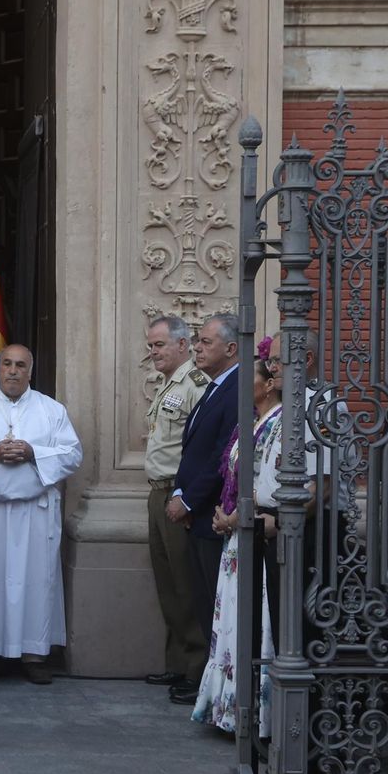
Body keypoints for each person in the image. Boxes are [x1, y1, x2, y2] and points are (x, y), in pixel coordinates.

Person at [0, 344, 82, 684]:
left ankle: (34, 653)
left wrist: (32, 452)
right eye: (7, 364)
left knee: (36, 580)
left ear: (30, 371)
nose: (13, 371)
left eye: (20, 365)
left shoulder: (51, 410)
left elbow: (72, 454)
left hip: (34, 512)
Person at [192, 356, 282, 733]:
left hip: (255, 531)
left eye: (251, 380)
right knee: (230, 621)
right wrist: (223, 513)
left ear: (268, 385)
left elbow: (273, 488)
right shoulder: (252, 423)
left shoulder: (279, 424)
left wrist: (236, 517)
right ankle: (228, 707)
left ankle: (254, 714)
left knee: (252, 621)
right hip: (235, 533)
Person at [166, 313, 240, 703]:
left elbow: (222, 455)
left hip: (214, 513)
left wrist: (189, 498)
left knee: (213, 600)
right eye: (197, 340)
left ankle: (211, 683)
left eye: (206, 342)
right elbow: (192, 450)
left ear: (230, 348)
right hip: (196, 509)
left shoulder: (238, 388)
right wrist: (180, 489)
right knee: (198, 596)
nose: (197, 347)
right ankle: (204, 680)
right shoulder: (214, 387)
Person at [142, 315, 208, 692]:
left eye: (159, 345)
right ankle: (178, 662)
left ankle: (196, 670)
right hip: (157, 492)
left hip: (177, 494)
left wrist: (187, 496)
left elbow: (201, 448)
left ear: (183, 345)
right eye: (151, 346)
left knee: (186, 583)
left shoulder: (195, 385)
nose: (153, 352)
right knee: (167, 583)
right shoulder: (169, 385)